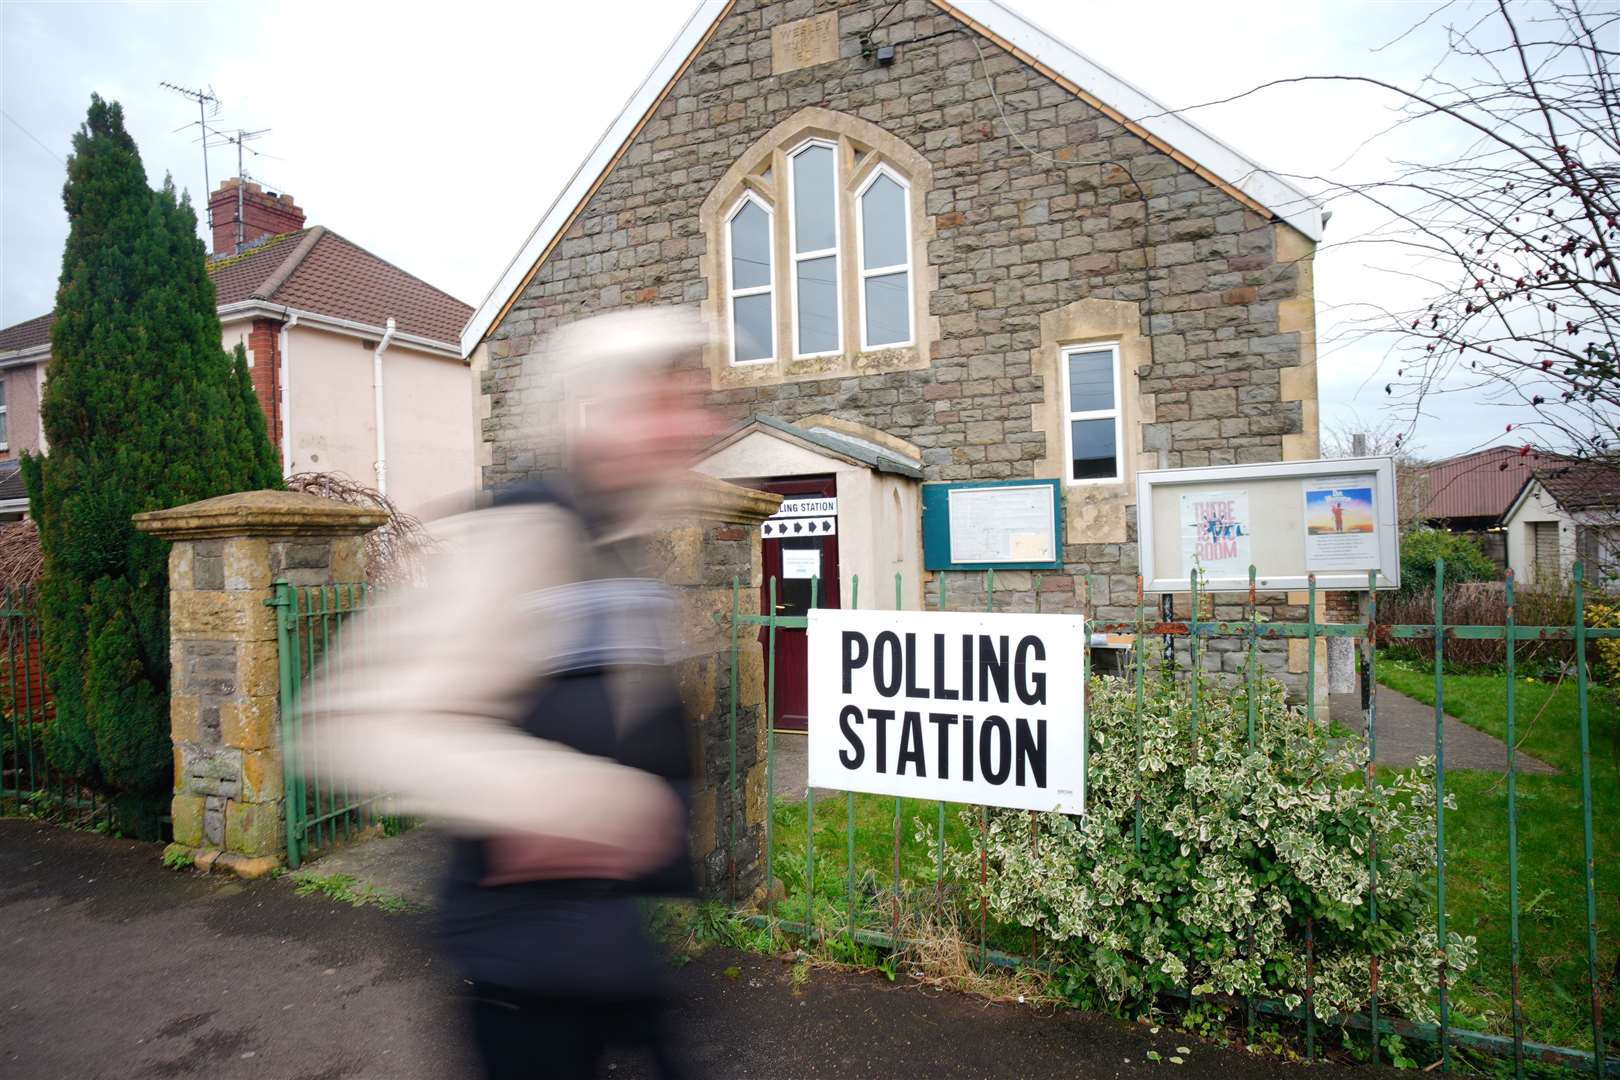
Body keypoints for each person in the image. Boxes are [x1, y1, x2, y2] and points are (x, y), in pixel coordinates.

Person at [309, 306, 720, 1079]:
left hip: (612, 950)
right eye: (665, 401)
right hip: (521, 975)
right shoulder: (518, 536)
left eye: (691, 399)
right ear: (596, 413)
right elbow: (357, 720)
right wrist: (571, 799)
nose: (692, 422)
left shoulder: (626, 550)